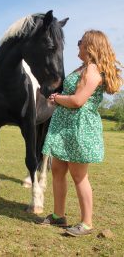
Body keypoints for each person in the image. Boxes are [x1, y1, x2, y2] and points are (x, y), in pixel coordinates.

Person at [38, 30, 123, 236]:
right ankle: (59, 216)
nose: (78, 46)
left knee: (79, 176)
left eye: (81, 43)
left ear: (90, 47)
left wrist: (57, 98)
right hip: (66, 126)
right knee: (58, 170)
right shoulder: (83, 67)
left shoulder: (92, 70)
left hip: (78, 128)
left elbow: (77, 101)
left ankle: (86, 223)